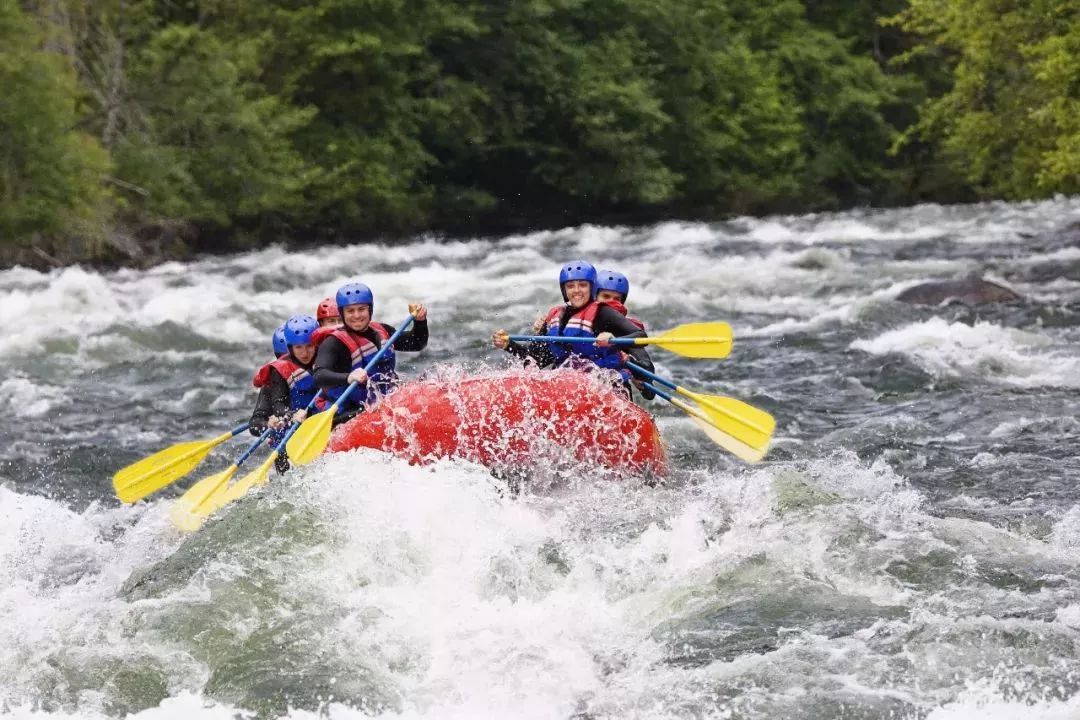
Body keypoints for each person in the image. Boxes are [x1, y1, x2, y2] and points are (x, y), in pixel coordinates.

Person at [492, 260, 655, 398]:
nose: (576, 290)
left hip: (606, 393)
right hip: (569, 395)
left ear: (591, 288)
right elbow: (536, 360)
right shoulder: (556, 318)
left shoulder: (604, 313)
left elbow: (641, 337)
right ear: (565, 290)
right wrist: (508, 345)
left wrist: (614, 342)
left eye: (582, 285)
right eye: (571, 286)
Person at [313, 282, 429, 424]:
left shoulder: (382, 330)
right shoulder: (333, 342)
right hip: (348, 412)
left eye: (361, 309)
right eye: (350, 311)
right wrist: (348, 377)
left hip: (383, 401)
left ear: (370, 310)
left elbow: (417, 343)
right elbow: (319, 375)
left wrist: (420, 322)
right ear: (342, 313)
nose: (356, 315)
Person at [250, 314, 324, 471]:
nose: (304, 354)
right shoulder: (275, 378)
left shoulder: (322, 363)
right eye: (297, 348)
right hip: (288, 444)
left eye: (309, 346)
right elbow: (254, 425)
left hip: (320, 429)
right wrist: (269, 424)